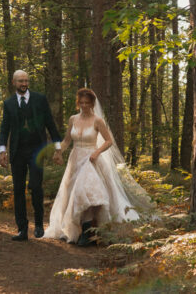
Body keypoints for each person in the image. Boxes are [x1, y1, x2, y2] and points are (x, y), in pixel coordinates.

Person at [44, 87, 153, 246]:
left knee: (86, 192)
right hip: (75, 160)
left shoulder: (97, 120)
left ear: (92, 103)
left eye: (87, 103)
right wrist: (58, 152)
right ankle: (71, 229)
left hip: (91, 160)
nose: (84, 105)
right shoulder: (73, 119)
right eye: (81, 102)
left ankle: (87, 232)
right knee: (72, 194)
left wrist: (97, 152)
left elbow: (109, 141)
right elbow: (67, 140)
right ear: (78, 103)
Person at [0, 70, 61, 241]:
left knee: (35, 186)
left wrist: (58, 147)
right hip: (17, 152)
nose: (24, 84)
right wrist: (2, 150)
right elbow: (4, 128)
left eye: (26, 81)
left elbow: (50, 123)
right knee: (18, 189)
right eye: (20, 81)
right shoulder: (8, 103)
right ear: (13, 82)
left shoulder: (40, 99)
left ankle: (39, 226)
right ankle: (22, 229)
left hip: (36, 152)